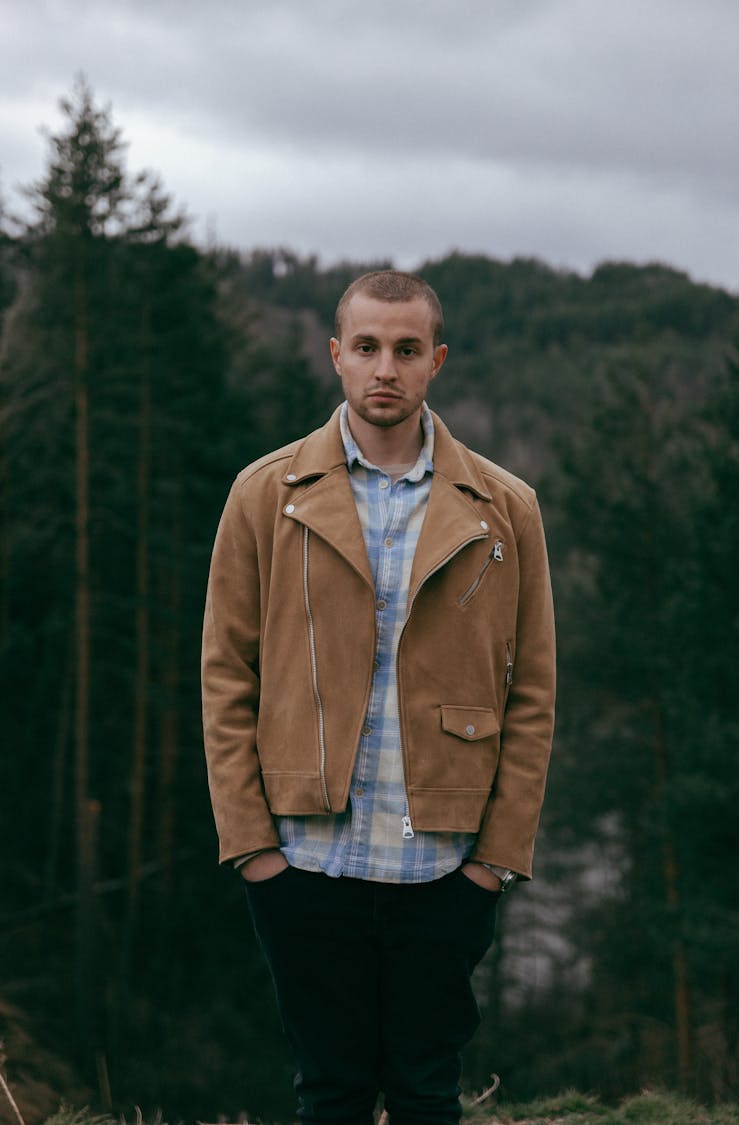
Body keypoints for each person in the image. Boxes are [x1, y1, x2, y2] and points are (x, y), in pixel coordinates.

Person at [201, 270, 556, 1125]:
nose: (384, 368)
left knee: (428, 1093)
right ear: (336, 356)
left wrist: (491, 863)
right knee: (330, 1093)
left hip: (443, 864)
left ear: (436, 360)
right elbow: (225, 675)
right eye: (366, 348)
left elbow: (534, 693)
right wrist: (254, 850)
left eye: (405, 349)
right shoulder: (266, 494)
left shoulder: (506, 507)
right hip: (306, 861)